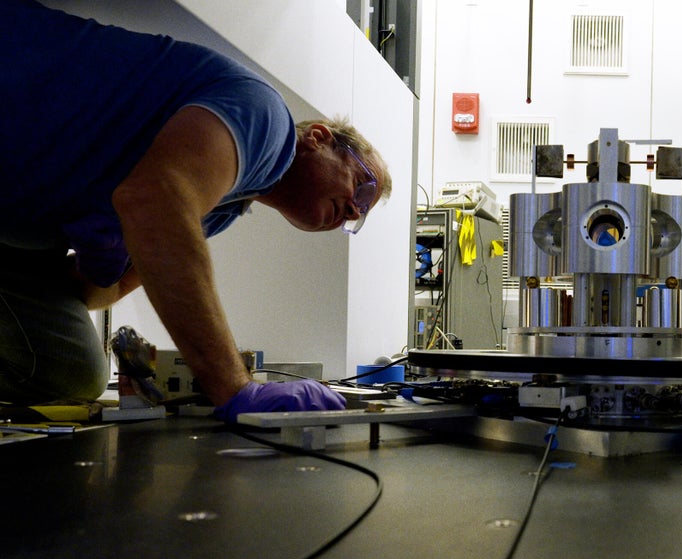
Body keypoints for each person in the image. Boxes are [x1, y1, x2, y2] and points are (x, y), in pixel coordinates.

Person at [0, 0, 392, 422]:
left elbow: (101, 293)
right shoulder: (267, 120)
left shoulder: (221, 209)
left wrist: (100, 267)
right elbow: (154, 198)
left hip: (16, 228)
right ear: (318, 137)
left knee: (72, 368)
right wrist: (234, 386)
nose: (354, 210)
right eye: (362, 185)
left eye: (363, 212)